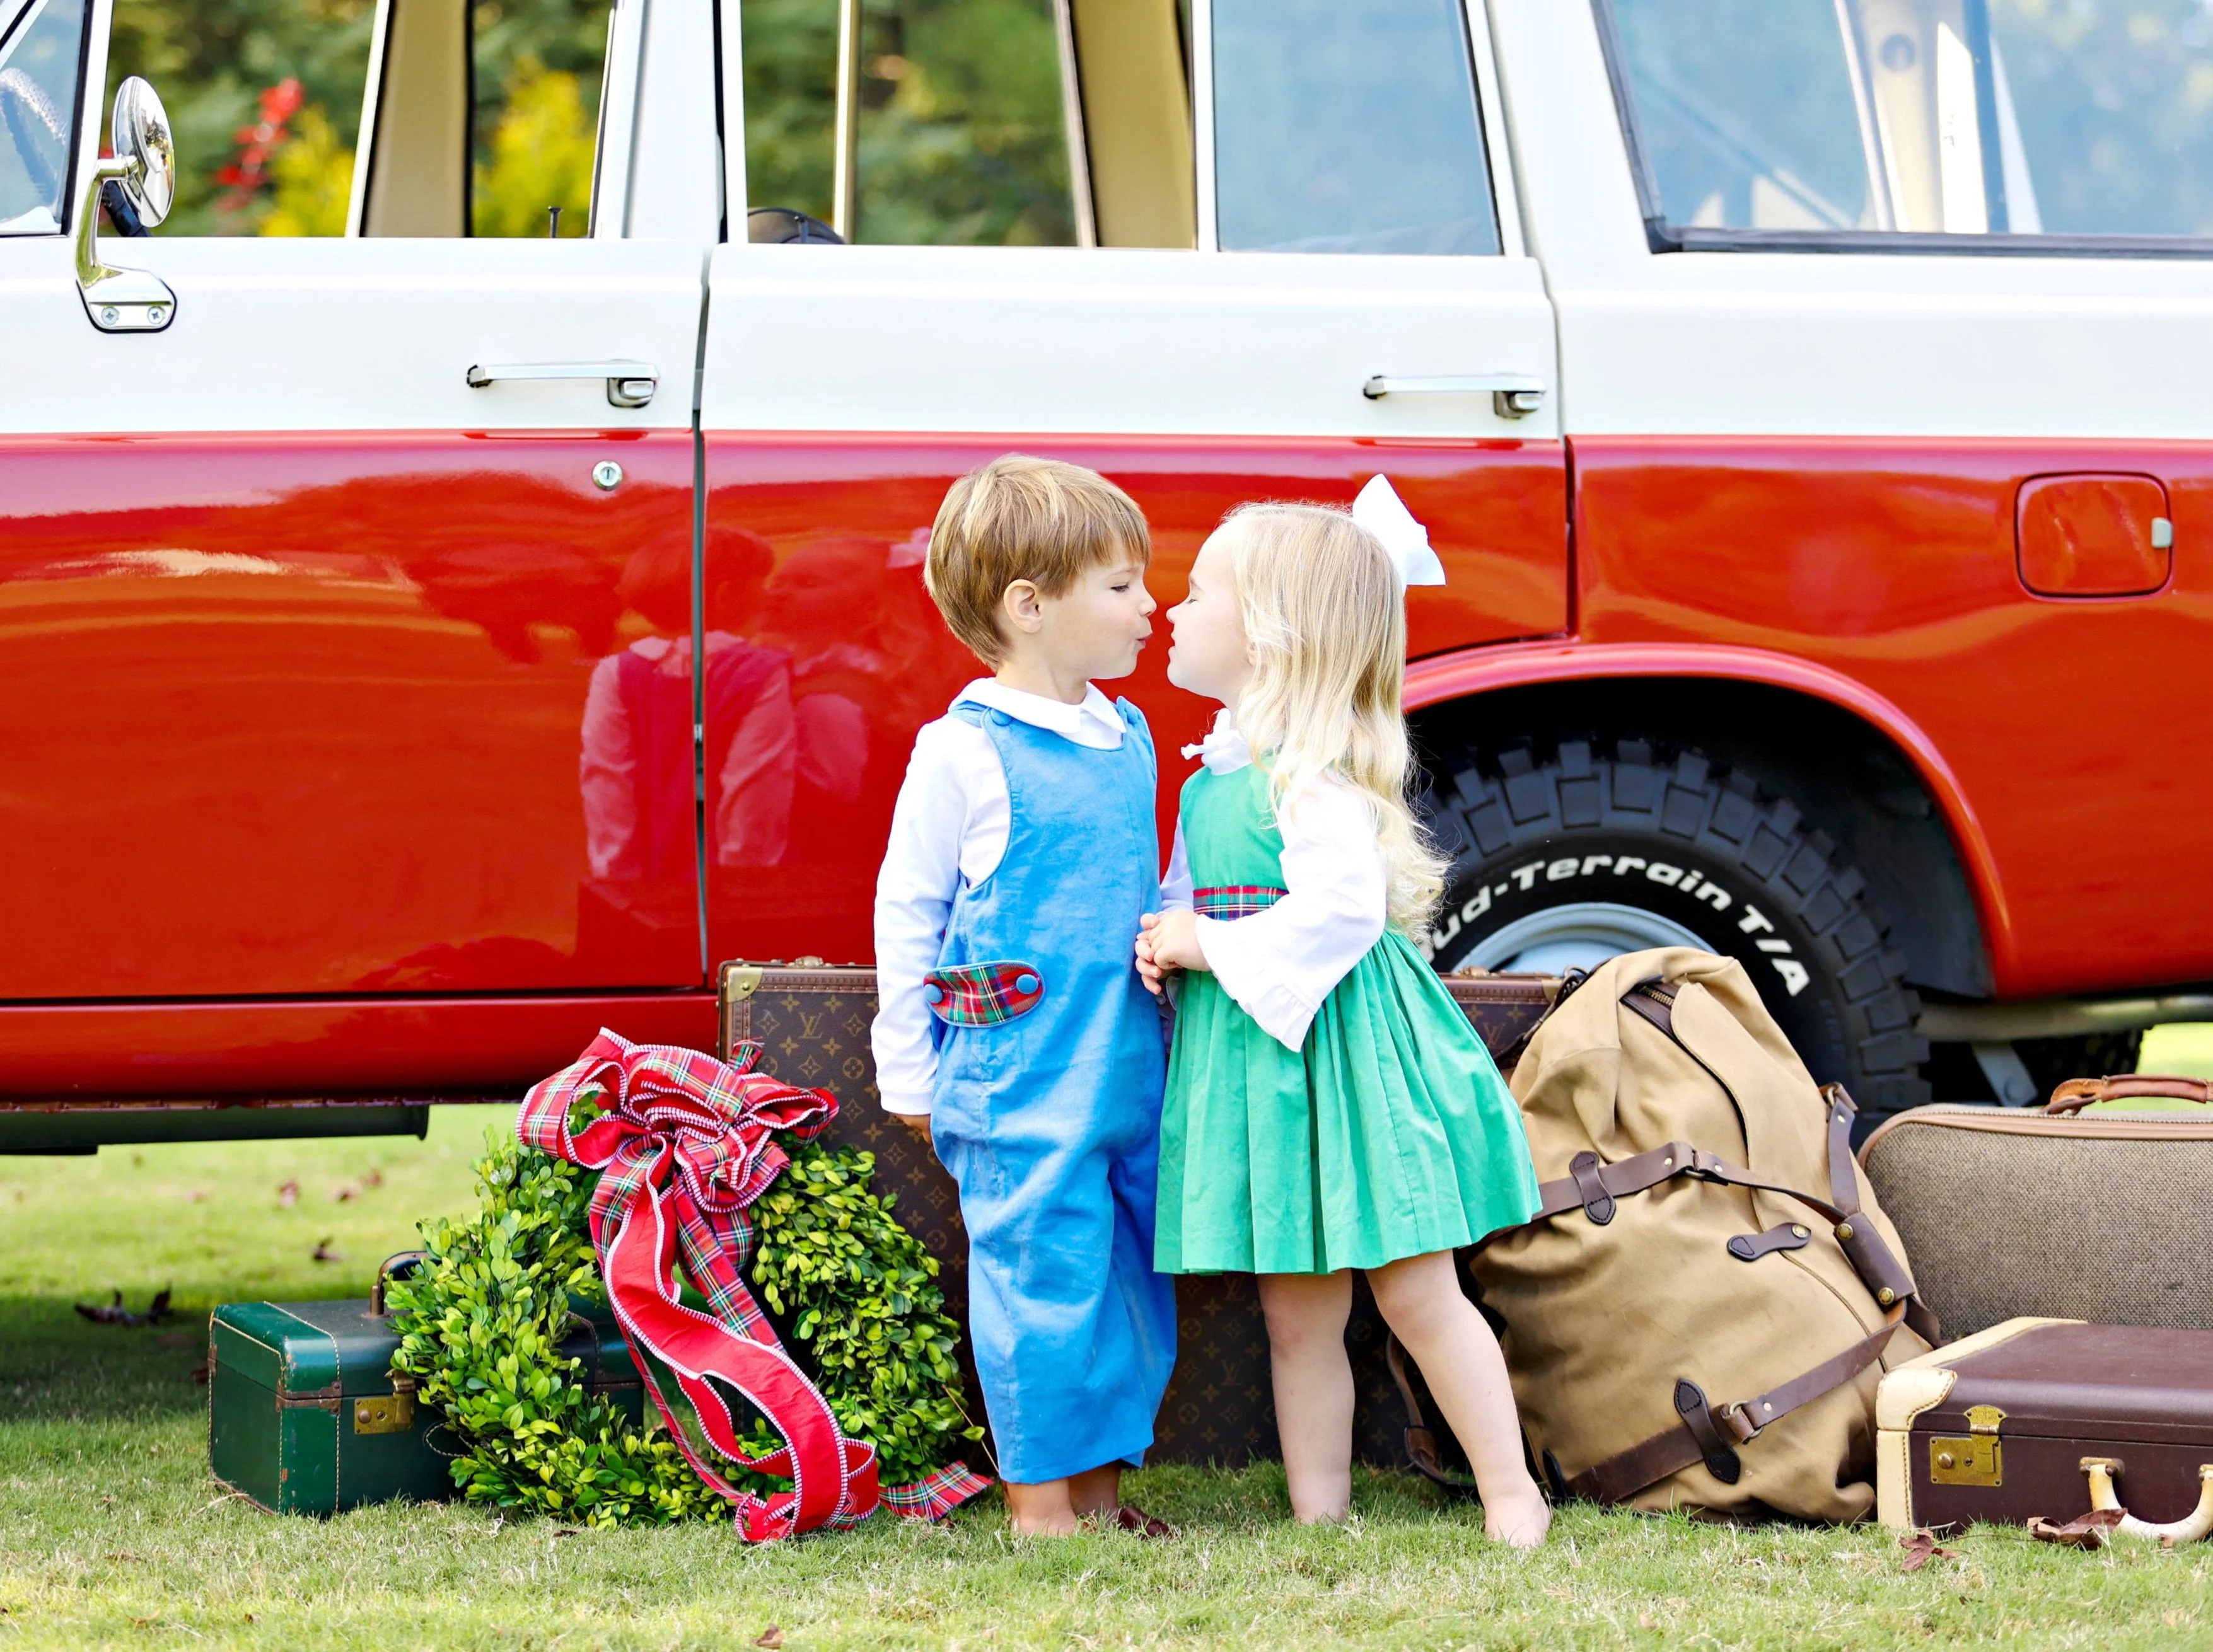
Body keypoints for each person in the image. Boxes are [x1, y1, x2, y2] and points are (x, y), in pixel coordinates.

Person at [1134, 493, 1550, 1547]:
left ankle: (1513, 1495)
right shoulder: (1215, 775)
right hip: (1266, 1060)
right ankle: (1316, 1513)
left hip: (1344, 1056)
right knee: (1296, 1311)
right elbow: (1200, 890)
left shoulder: (1304, 780)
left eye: (1195, 594)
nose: (1170, 613)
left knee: (1415, 1291)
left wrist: (1205, 945)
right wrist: (1167, 932)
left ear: (1269, 632)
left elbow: (1341, 911)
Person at [871, 454, 1178, 1538]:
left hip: (1127, 1056)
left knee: (1125, 1271)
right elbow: (907, 911)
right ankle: (1040, 1504)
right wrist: (905, 1068)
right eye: (1122, 585)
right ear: (1030, 606)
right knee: (1040, 1275)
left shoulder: (1127, 733)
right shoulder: (963, 750)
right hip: (1021, 1069)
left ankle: (1098, 1489)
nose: (1152, 605)